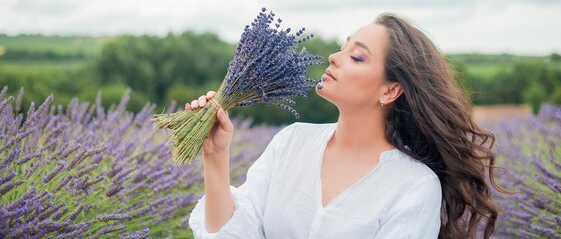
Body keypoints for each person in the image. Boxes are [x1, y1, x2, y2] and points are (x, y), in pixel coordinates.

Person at [185, 13, 504, 239]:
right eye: (343, 46)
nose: (334, 56)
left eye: (358, 57)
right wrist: (216, 156)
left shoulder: (413, 186)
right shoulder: (291, 143)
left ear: (389, 90)